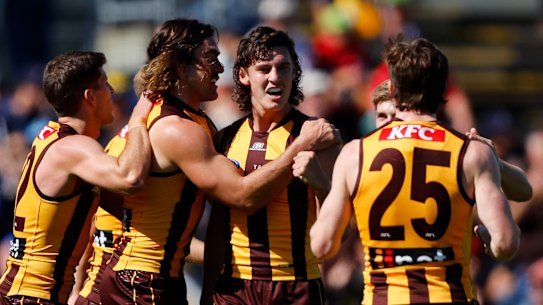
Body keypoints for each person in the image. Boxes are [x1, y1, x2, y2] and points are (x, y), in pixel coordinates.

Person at [97, 19, 339, 305]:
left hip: (285, 285)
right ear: (181, 66)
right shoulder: (180, 128)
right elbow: (241, 196)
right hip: (147, 278)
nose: (219, 68)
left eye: (284, 68)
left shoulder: (195, 123)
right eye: (210, 58)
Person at [310, 36, 520, 305]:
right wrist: (491, 240)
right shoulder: (472, 152)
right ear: (444, 92)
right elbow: (505, 243)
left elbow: (322, 245)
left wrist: (318, 188)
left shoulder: (355, 153)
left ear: (394, 92)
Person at [201, 25, 340, 305]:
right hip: (234, 287)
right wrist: (207, 289)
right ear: (243, 75)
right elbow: (218, 222)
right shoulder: (225, 138)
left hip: (295, 286)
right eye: (264, 69)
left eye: (284, 67)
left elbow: (341, 227)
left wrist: (323, 186)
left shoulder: (318, 136)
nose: (275, 77)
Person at [0, 51, 152, 305]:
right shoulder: (73, 148)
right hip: (32, 297)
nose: (113, 91)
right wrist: (137, 121)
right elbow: (130, 178)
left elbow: (126, 216)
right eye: (105, 84)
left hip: (24, 293)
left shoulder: (54, 138)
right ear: (90, 97)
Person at [372, 79, 532, 202]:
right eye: (382, 116)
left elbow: (524, 192)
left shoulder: (448, 152)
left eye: (395, 116)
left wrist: (491, 160)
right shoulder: (361, 158)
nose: (389, 124)